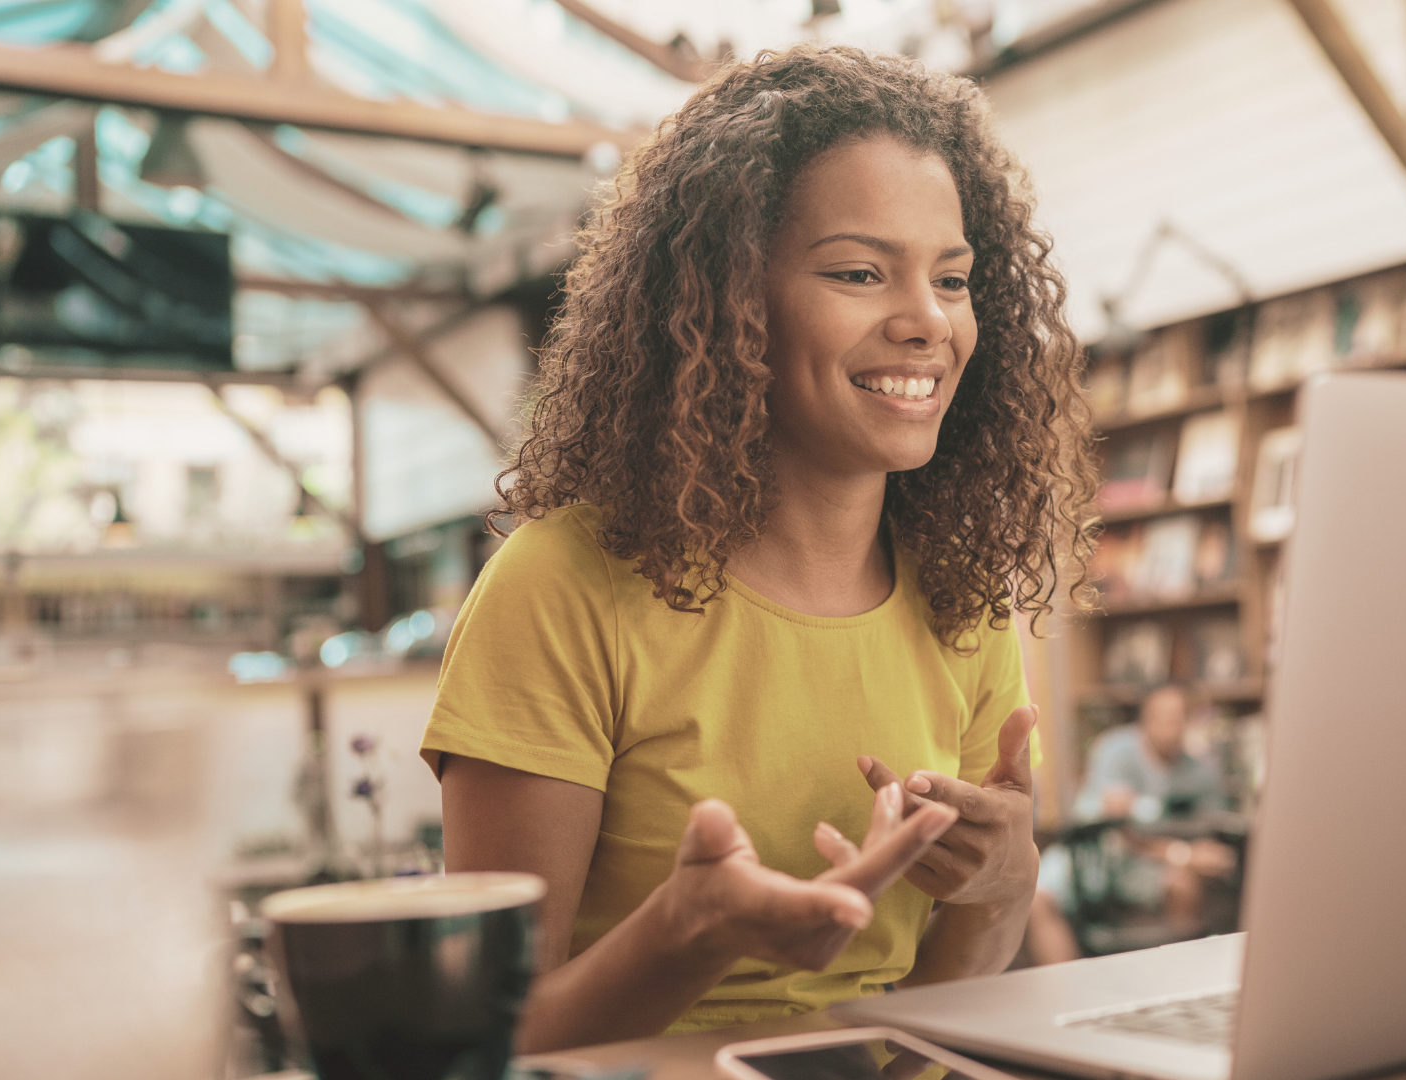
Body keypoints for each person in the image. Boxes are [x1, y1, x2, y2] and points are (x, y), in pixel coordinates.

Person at [419, 45, 1097, 1052]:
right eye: (860, 273)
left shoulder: (960, 598)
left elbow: (929, 1022)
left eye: (952, 280)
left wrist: (1001, 887)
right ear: (730, 300)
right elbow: (485, 1043)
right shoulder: (562, 585)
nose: (926, 322)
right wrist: (686, 933)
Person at [1025, 684, 1236, 966]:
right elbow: (1121, 832)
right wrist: (1182, 853)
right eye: (1161, 717)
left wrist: (1196, 855)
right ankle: (1069, 995)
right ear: (1144, 720)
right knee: (1037, 897)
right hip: (1097, 858)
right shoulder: (1116, 752)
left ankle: (1181, 983)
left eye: (1177, 717)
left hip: (1150, 867)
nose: (1170, 727)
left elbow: (1214, 831)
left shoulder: (1201, 770)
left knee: (1185, 884)